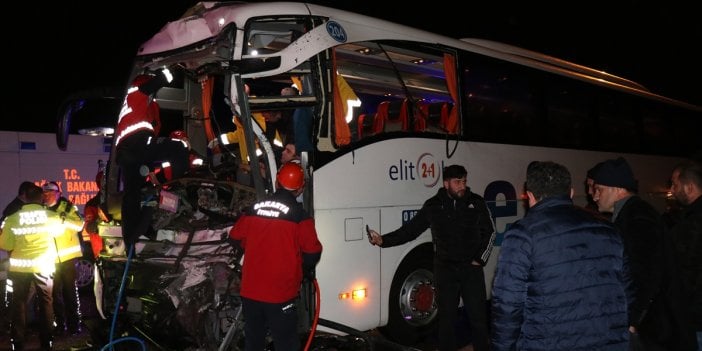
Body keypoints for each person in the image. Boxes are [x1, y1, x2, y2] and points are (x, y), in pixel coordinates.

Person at [491, 161, 630, 351]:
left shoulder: (523, 234)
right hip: (607, 341)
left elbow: (507, 305)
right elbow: (626, 291)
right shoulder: (609, 230)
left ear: (530, 197)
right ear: (571, 193)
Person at [367, 164, 495, 351]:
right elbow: (409, 231)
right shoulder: (433, 206)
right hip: (445, 271)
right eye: (457, 182)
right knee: (446, 321)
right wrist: (383, 240)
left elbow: (490, 232)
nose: (462, 186)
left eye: (464, 181)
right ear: (446, 184)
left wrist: (479, 260)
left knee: (478, 319)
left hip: (471, 270)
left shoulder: (476, 202)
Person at [593, 157, 697, 351]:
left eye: (599, 189)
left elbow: (643, 272)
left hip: (658, 329)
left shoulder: (637, 217)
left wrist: (631, 320)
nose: (594, 196)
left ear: (617, 189)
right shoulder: (632, 214)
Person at [229, 161, 322, 351]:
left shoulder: (254, 209)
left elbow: (234, 238)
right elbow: (312, 253)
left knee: (254, 342)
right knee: (286, 343)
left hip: (250, 292)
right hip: (280, 294)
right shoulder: (300, 217)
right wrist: (301, 271)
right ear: (300, 188)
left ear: (277, 182)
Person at [114, 69, 190, 248]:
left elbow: (155, 129)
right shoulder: (136, 92)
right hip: (138, 143)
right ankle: (180, 187)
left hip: (127, 153)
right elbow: (159, 81)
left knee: (131, 195)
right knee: (178, 147)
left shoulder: (137, 107)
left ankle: (130, 239)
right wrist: (170, 68)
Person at [0, 183, 63, 351]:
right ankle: (47, 342)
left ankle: (18, 342)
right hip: (44, 266)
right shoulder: (52, 216)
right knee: (46, 303)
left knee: (19, 304)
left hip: (20, 269)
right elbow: (58, 234)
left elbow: (5, 244)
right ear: (41, 198)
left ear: (25, 198)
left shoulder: (13, 218)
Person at [42, 181, 85, 336]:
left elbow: (80, 225)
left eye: (49, 193)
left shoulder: (68, 207)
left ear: (58, 193)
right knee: (54, 295)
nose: (45, 196)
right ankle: (61, 325)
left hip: (68, 259)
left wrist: (64, 220)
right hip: (50, 259)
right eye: (44, 193)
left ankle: (75, 326)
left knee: (70, 293)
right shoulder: (41, 210)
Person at [668, 159, 702, 350]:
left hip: (696, 317)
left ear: (689, 187)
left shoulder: (692, 223)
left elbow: (685, 271)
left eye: (674, 184)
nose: (672, 189)